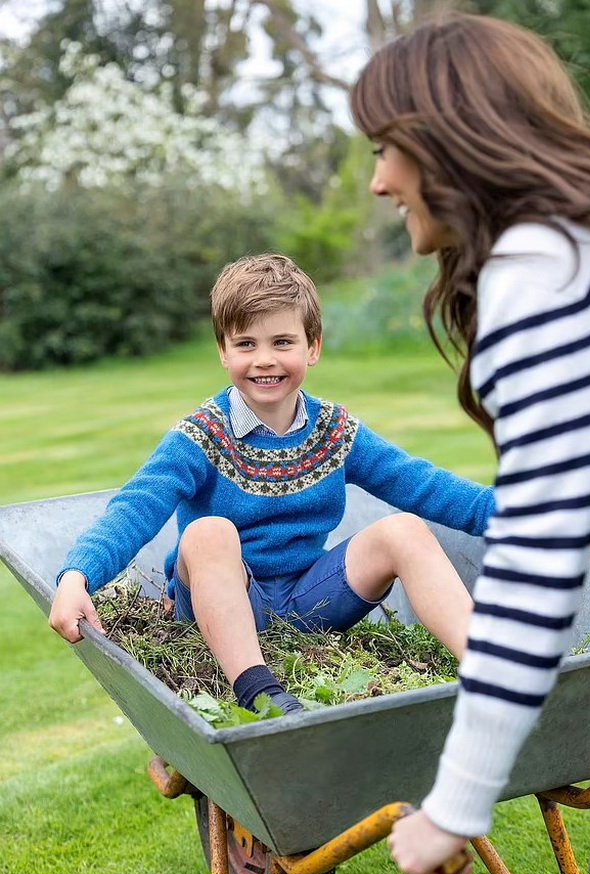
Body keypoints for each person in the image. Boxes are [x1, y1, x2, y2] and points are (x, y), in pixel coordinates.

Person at [351, 10, 590, 874]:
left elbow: (538, 567)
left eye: (384, 149)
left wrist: (454, 805)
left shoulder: (541, 277)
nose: (377, 183)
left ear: (444, 144)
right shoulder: (589, 246)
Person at [49, 252, 494, 718]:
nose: (265, 360)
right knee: (207, 532)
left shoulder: (334, 430)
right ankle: (259, 692)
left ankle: (488, 671)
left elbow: (422, 485)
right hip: (220, 605)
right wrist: (78, 574)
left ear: (312, 347)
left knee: (404, 529)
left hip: (310, 600)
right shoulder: (202, 435)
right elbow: (136, 506)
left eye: (283, 341)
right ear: (223, 351)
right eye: (245, 344)